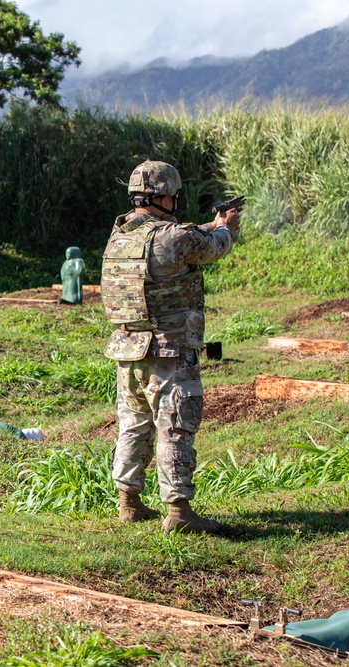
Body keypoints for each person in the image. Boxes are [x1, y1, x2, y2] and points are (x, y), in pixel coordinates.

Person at [100, 161, 239, 534]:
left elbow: (179, 239)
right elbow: (212, 247)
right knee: (175, 427)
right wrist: (224, 227)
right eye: (173, 197)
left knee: (133, 426)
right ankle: (178, 513)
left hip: (129, 351)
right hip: (170, 351)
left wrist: (208, 225)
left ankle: (128, 503)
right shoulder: (174, 237)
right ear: (164, 196)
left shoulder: (120, 236)